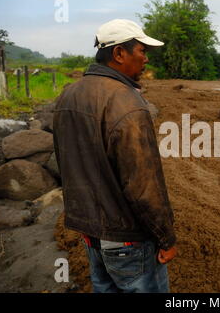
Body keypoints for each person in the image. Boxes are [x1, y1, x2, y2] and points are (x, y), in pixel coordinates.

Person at [53, 19, 177, 293]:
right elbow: (144, 185)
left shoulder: (68, 96)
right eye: (142, 51)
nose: (146, 59)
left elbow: (67, 165)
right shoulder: (128, 103)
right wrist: (166, 237)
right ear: (120, 54)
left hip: (92, 236)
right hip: (128, 241)